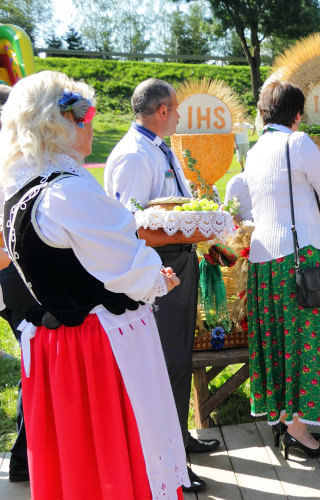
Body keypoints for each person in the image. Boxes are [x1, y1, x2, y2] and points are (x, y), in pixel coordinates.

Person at [0, 70, 188, 498]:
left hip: (58, 345)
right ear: (66, 122)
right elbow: (124, 264)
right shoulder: (66, 193)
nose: (91, 124)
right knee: (119, 456)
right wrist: (155, 277)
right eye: (87, 114)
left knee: (82, 463)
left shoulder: (20, 187)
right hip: (99, 347)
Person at [104, 78, 216, 492]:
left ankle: (179, 440)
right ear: (163, 111)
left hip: (176, 265)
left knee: (178, 360)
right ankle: (169, 465)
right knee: (163, 364)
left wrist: (202, 234)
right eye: (177, 108)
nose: (180, 116)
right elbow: (129, 226)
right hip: (157, 270)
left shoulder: (156, 148)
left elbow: (171, 211)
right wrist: (192, 234)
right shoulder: (135, 155)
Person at [244, 81, 320, 459]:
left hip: (263, 262)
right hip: (300, 256)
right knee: (308, 343)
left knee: (277, 341)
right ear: (297, 114)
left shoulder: (255, 150)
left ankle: (286, 420)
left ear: (263, 113)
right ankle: (297, 428)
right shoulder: (298, 143)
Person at [0, 82, 34, 484]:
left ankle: (24, 456)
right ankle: (26, 456)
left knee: (32, 358)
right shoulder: (10, 159)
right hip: (13, 275)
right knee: (35, 357)